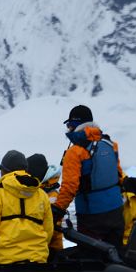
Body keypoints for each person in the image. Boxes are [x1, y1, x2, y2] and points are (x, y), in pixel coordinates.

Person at [52, 105, 125, 249]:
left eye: (69, 125)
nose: (68, 129)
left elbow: (69, 187)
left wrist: (57, 211)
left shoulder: (75, 152)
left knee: (91, 259)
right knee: (115, 254)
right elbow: (119, 176)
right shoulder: (110, 145)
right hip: (117, 211)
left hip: (92, 217)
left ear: (74, 125)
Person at [0, 150, 52, 264]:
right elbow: (48, 230)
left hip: (6, 262)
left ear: (4, 170)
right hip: (37, 260)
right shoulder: (42, 195)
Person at [28, 154, 64, 254]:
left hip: (51, 248)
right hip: (40, 247)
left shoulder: (51, 195)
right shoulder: (44, 190)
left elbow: (52, 226)